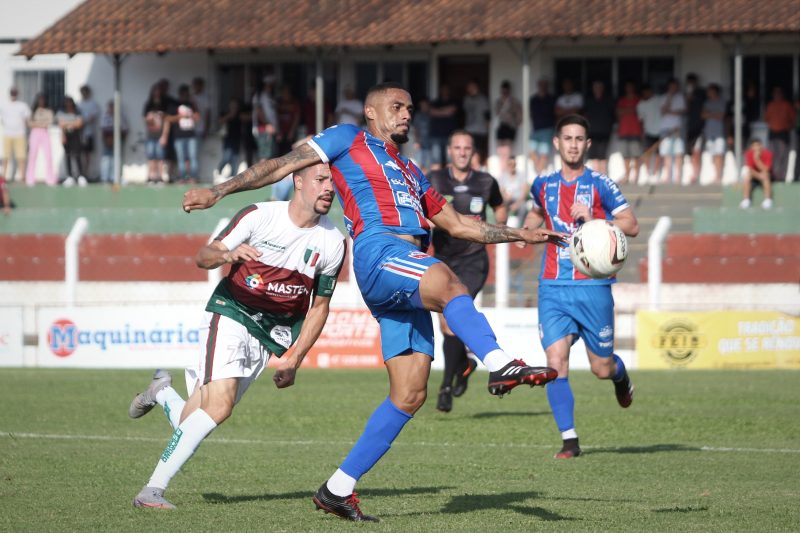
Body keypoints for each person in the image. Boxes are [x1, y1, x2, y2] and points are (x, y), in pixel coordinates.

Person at [183, 82, 566, 522]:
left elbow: (460, 225)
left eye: (410, 108)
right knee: (450, 284)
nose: (406, 114)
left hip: (406, 267)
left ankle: (337, 489)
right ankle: (500, 362)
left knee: (409, 393)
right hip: (381, 253)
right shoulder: (348, 138)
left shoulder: (411, 170)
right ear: (370, 111)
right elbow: (282, 165)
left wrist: (523, 233)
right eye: (396, 106)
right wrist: (219, 190)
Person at [130, 161, 346, 509]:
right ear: (298, 180)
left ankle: (163, 393)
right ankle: (151, 491)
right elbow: (204, 255)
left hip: (267, 335)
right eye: (321, 179)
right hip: (231, 314)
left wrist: (295, 358)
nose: (329, 188)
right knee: (220, 407)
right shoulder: (259, 215)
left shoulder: (333, 241)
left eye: (333, 182)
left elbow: (320, 306)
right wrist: (228, 254)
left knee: (193, 420)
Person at [522, 114, 639, 460]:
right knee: (555, 362)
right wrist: (526, 231)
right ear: (557, 143)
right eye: (567, 138)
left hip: (593, 287)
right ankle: (569, 440)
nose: (573, 144)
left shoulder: (602, 184)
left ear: (587, 145)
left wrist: (594, 218)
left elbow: (630, 225)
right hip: (553, 286)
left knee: (600, 368)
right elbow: (535, 213)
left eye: (579, 139)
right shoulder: (542, 184)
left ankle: (619, 377)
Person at [427, 130, 507, 413]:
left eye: (467, 148)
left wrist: (500, 230)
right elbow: (421, 211)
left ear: (473, 152)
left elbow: (499, 207)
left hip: (474, 261)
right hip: (444, 260)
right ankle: (464, 365)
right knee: (446, 324)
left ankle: (445, 388)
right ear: (449, 150)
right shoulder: (434, 180)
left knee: (450, 320)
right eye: (457, 147)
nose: (462, 152)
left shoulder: (486, 181)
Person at [165, 84, 200, 183]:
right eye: (183, 94)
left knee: (192, 157)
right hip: (179, 136)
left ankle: (193, 177)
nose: (185, 96)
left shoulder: (192, 104)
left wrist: (192, 114)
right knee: (181, 158)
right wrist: (180, 116)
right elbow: (168, 118)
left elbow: (198, 117)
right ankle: (182, 178)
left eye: (186, 94)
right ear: (180, 94)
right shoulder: (174, 104)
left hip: (191, 135)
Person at [582, 80, 615, 175]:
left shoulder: (608, 100)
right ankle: (596, 177)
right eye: (596, 88)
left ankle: (603, 177)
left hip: (604, 132)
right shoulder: (589, 101)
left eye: (599, 88)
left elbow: (613, 116)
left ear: (603, 89)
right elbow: (584, 116)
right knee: (593, 157)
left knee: (603, 156)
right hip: (592, 132)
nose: (597, 90)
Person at [764, 86, 796, 182]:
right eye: (775, 93)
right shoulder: (770, 105)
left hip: (783, 133)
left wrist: (788, 127)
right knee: (772, 155)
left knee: (782, 155)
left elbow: (793, 119)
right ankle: (773, 176)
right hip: (773, 133)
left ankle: (781, 177)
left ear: (782, 95)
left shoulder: (787, 105)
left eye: (779, 93)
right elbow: (766, 119)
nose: (777, 95)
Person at [658, 78, 686, 184]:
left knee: (678, 152)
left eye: (675, 86)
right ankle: (668, 175)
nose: (673, 88)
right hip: (665, 128)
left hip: (677, 128)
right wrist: (669, 98)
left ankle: (678, 176)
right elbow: (663, 110)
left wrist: (671, 111)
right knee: (666, 153)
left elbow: (682, 111)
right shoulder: (663, 97)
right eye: (671, 86)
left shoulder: (680, 98)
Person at [0, 87, 31, 182]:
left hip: (20, 134)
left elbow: (27, 120)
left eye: (15, 92)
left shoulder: (23, 106)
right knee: (6, 156)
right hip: (7, 133)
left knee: (21, 156)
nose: (13, 94)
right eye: (12, 92)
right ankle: (4, 176)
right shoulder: (3, 105)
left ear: (17, 93)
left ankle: (22, 177)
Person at [25, 94, 55, 186]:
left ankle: (50, 179)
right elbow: (29, 123)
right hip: (34, 133)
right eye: (40, 99)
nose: (41, 101)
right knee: (32, 155)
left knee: (48, 155)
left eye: (43, 99)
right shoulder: (33, 111)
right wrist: (40, 124)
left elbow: (49, 122)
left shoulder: (48, 111)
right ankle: (30, 178)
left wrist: (37, 123)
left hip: (44, 133)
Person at [616, 81, 642, 184]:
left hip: (636, 130)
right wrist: (631, 110)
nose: (629, 89)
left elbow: (639, 111)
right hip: (623, 131)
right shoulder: (622, 100)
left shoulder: (638, 100)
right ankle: (627, 176)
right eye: (627, 87)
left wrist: (625, 110)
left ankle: (636, 177)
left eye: (631, 87)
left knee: (636, 156)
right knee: (625, 156)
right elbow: (618, 112)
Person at [529, 79, 557, 175]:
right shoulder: (534, 99)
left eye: (544, 85)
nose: (542, 87)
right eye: (540, 85)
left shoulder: (551, 99)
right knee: (531, 152)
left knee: (543, 154)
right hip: (536, 129)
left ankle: (539, 175)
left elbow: (555, 113)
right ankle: (539, 172)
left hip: (547, 129)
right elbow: (531, 114)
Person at [57, 96, 86, 187]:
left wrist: (67, 123)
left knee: (77, 155)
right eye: (66, 102)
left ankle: (81, 176)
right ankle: (69, 176)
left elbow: (79, 124)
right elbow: (61, 124)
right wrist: (70, 124)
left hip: (76, 135)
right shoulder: (61, 112)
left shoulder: (77, 112)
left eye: (70, 102)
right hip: (66, 135)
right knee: (68, 155)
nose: (68, 104)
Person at [428, 84, 459, 168]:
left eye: (446, 90)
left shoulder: (453, 101)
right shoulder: (435, 102)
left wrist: (439, 111)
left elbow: (451, 111)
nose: (445, 91)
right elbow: (432, 112)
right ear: (440, 91)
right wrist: (445, 111)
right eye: (443, 89)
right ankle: (435, 181)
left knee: (450, 160)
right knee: (436, 161)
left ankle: (449, 180)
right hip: (436, 135)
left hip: (449, 135)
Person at [213, 97, 243, 183]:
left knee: (235, 160)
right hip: (228, 139)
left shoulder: (240, 114)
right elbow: (220, 121)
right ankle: (218, 172)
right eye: (232, 105)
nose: (234, 107)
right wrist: (230, 115)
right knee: (226, 157)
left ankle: (233, 178)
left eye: (235, 106)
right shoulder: (226, 113)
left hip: (237, 139)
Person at [636, 84, 662, 182]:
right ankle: (648, 173)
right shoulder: (641, 104)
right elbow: (641, 120)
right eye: (645, 92)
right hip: (648, 131)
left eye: (648, 92)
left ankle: (655, 173)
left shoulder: (658, 100)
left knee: (658, 154)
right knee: (647, 153)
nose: (647, 94)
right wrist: (642, 131)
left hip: (660, 131)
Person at [99, 99, 128, 184]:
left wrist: (119, 138)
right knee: (106, 159)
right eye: (111, 107)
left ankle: (114, 177)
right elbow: (102, 129)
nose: (112, 109)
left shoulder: (121, 117)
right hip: (107, 141)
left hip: (118, 141)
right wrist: (107, 139)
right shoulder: (105, 117)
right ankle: (105, 178)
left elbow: (125, 129)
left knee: (116, 159)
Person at [494, 80, 522, 167]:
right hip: (501, 126)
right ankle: (502, 167)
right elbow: (497, 112)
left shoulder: (514, 101)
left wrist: (515, 124)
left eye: (506, 91)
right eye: (503, 91)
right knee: (500, 150)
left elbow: (519, 115)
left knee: (507, 150)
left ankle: (506, 168)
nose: (504, 93)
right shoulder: (498, 101)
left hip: (510, 127)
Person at [701, 84, 726, 184]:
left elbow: (721, 116)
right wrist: (713, 114)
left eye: (710, 91)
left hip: (719, 132)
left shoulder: (721, 102)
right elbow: (703, 115)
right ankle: (715, 175)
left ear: (715, 91)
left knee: (719, 154)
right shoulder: (707, 103)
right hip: (709, 133)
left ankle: (719, 176)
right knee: (712, 155)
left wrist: (709, 114)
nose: (708, 93)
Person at [143, 83, 167, 184]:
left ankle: (160, 177)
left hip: (160, 135)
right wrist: (149, 119)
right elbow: (144, 119)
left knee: (160, 156)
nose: (156, 94)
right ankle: (151, 176)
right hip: (151, 135)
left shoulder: (164, 105)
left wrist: (164, 135)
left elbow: (167, 121)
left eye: (158, 92)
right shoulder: (148, 105)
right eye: (155, 92)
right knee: (151, 156)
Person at [739, 139, 774, 210]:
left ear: (761, 146)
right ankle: (746, 200)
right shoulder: (748, 154)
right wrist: (759, 175)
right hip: (755, 176)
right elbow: (749, 169)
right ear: (751, 147)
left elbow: (766, 169)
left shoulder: (768, 154)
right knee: (747, 176)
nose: (756, 148)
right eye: (754, 146)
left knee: (766, 175)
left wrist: (757, 159)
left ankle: (768, 200)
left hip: (765, 176)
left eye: (758, 145)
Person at [462, 80, 490, 166]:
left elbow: (487, 115)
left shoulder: (482, 99)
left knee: (477, 152)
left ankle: (476, 169)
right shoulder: (466, 99)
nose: (469, 89)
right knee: (468, 152)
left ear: (476, 87)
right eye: (468, 87)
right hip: (468, 130)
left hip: (479, 130)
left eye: (471, 86)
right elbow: (463, 113)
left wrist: (487, 128)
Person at [684, 73, 706, 184]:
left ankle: (696, 175)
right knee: (691, 152)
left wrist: (692, 96)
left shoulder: (702, 93)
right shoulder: (685, 94)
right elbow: (686, 108)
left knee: (697, 151)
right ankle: (693, 173)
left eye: (692, 82)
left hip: (700, 127)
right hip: (690, 127)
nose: (690, 85)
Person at [252, 75, 278, 162]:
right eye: (270, 84)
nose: (271, 87)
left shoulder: (270, 96)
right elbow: (259, 111)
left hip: (271, 130)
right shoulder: (259, 96)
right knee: (264, 156)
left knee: (271, 156)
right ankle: (262, 175)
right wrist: (267, 124)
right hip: (263, 129)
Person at [78, 85, 100, 179]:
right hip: (79, 133)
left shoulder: (93, 104)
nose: (84, 94)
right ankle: (81, 173)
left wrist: (84, 122)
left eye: (85, 92)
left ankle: (86, 173)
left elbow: (93, 117)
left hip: (88, 133)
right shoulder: (78, 104)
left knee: (87, 154)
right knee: (80, 154)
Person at [497, 155, 528, 223]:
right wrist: (505, 197)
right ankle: (503, 226)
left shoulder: (521, 175)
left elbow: (524, 192)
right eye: (510, 164)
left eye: (514, 164)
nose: (512, 166)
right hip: (507, 200)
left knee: (523, 207)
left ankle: (520, 227)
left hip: (519, 201)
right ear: (507, 165)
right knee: (501, 207)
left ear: (516, 165)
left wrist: (517, 204)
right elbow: (501, 191)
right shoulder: (502, 176)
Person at [276, 84, 301, 156]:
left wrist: (292, 131)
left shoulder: (294, 102)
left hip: (290, 132)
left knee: (290, 153)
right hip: (280, 132)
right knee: (280, 154)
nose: (284, 93)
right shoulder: (279, 102)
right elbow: (275, 117)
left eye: (286, 91)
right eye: (283, 92)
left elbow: (297, 117)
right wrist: (278, 131)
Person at [411, 97, 433, 172]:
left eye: (425, 105)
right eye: (422, 105)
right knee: (419, 163)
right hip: (420, 142)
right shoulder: (418, 115)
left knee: (429, 164)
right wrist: (416, 141)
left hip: (430, 143)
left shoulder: (431, 114)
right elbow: (415, 129)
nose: (424, 107)